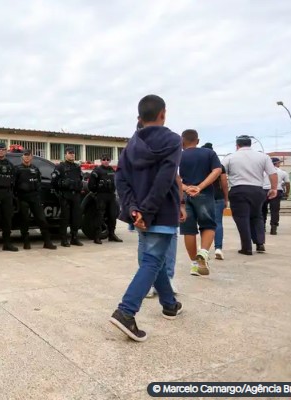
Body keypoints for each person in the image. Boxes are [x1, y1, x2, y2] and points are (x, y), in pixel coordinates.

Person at [109, 94, 183, 342]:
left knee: (156, 260)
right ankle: (126, 312)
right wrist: (147, 212)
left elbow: (121, 179)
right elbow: (165, 178)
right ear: (163, 113)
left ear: (139, 118)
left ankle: (170, 304)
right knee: (152, 260)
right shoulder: (173, 140)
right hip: (159, 212)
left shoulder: (131, 145)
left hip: (140, 213)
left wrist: (133, 210)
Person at [221, 135, 278, 255]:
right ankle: (260, 243)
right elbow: (272, 173)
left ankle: (246, 247)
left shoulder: (230, 157)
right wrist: (274, 188)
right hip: (257, 190)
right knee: (257, 216)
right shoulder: (263, 157)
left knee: (242, 218)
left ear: (237, 145)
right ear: (250, 144)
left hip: (238, 190)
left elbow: (220, 173)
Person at [178, 129, 222, 276]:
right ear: (197, 141)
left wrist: (185, 188)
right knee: (208, 224)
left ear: (182, 142)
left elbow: (172, 175)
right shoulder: (209, 153)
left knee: (188, 230)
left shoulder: (179, 155)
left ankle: (194, 264)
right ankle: (203, 252)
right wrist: (200, 187)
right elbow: (217, 171)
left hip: (184, 196)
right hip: (204, 194)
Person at [14, 149, 57, 250]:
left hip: (34, 197)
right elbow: (13, 184)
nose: (27, 157)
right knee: (24, 220)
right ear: (22, 157)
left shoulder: (35, 169)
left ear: (31, 157)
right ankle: (26, 242)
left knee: (42, 219)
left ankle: (47, 242)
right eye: (25, 155)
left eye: (29, 155)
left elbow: (39, 182)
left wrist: (38, 194)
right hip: (22, 197)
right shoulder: (17, 169)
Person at [51, 147, 84, 247]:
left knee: (76, 217)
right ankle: (64, 239)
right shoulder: (60, 167)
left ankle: (74, 238)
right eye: (70, 153)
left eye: (73, 153)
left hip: (76, 195)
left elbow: (80, 179)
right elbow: (54, 182)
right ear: (65, 155)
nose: (72, 155)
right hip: (65, 195)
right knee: (65, 218)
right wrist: (61, 186)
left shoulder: (77, 167)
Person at [87, 154, 123, 244]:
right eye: (104, 159)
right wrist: (97, 192)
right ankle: (97, 236)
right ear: (101, 160)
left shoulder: (112, 170)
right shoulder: (97, 171)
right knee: (100, 216)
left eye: (108, 159)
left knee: (112, 215)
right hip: (101, 196)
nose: (106, 161)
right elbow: (90, 185)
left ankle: (112, 234)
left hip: (111, 196)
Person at [202, 142, 229, 260]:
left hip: (202, 196)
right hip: (218, 197)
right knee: (218, 222)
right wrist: (226, 198)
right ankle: (218, 248)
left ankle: (203, 250)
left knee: (204, 223)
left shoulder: (199, 165)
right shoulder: (219, 166)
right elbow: (224, 183)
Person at [262, 157, 290, 235]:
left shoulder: (263, 172)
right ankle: (273, 228)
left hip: (264, 191)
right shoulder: (282, 172)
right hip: (277, 191)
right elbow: (287, 183)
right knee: (275, 210)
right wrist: (287, 193)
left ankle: (262, 227)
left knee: (262, 210)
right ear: (276, 163)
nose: (279, 164)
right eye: (279, 163)